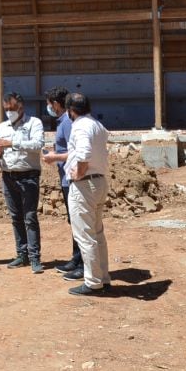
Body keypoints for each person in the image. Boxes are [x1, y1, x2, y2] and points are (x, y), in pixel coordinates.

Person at [0, 91, 45, 273]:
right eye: (6, 109)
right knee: (16, 218)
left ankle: (34, 257)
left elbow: (37, 145)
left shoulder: (34, 123)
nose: (9, 112)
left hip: (28, 176)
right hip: (8, 176)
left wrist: (12, 143)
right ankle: (21, 254)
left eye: (12, 108)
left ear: (21, 107)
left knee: (30, 217)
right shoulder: (1, 127)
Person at [63, 92, 112, 296]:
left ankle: (92, 282)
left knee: (85, 235)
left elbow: (83, 153)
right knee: (97, 233)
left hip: (85, 185)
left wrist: (79, 173)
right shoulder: (97, 126)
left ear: (70, 111)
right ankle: (103, 277)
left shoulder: (80, 126)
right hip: (99, 182)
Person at [41, 86, 83, 280]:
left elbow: (73, 152)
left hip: (71, 180)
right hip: (66, 177)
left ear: (56, 104)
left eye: (50, 105)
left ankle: (82, 263)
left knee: (78, 222)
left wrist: (54, 156)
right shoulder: (64, 121)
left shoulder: (67, 123)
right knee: (73, 221)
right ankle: (76, 258)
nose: (49, 108)